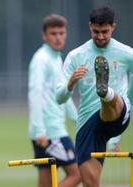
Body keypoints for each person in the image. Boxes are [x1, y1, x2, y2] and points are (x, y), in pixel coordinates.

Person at [56, 6, 133, 187]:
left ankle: (106, 92)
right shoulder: (76, 56)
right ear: (90, 26)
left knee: (111, 104)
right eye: (95, 31)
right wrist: (70, 83)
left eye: (105, 32)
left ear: (113, 27)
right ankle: (105, 93)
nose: (100, 36)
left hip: (119, 113)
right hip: (87, 124)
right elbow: (59, 98)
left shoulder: (127, 54)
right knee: (90, 183)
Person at [28, 14, 81, 187]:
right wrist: (39, 130)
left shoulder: (56, 58)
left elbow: (63, 96)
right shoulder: (41, 59)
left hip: (46, 132)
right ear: (44, 35)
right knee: (78, 173)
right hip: (51, 133)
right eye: (53, 33)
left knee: (46, 183)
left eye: (61, 33)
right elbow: (34, 93)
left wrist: (78, 121)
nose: (58, 37)